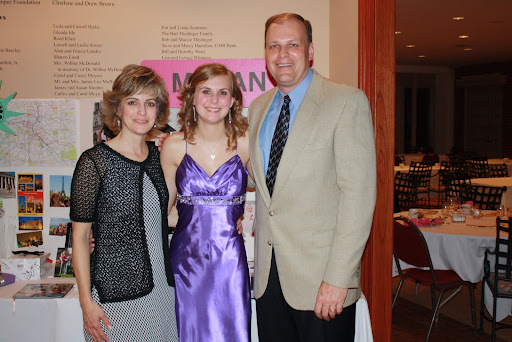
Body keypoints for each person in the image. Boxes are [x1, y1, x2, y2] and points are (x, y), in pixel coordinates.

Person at [248, 13, 377, 341]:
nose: (282, 54)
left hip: (323, 282)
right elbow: (270, 186)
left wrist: (339, 278)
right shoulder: (259, 108)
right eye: (273, 46)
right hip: (268, 280)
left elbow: (358, 197)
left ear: (310, 50)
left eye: (293, 44)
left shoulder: (346, 102)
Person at [71, 64, 178, 342]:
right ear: (117, 108)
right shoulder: (94, 162)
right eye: (133, 102)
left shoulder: (162, 158)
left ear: (158, 111)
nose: (142, 112)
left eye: (150, 103)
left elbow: (166, 216)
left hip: (164, 296)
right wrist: (86, 302)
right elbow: (80, 238)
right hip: (113, 299)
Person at [160, 63, 251, 341]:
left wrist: (239, 215)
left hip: (230, 261)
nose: (214, 100)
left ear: (233, 100)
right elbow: (164, 214)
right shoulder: (174, 146)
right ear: (192, 98)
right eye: (206, 92)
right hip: (186, 261)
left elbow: (274, 195)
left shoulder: (246, 143)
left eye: (222, 92)